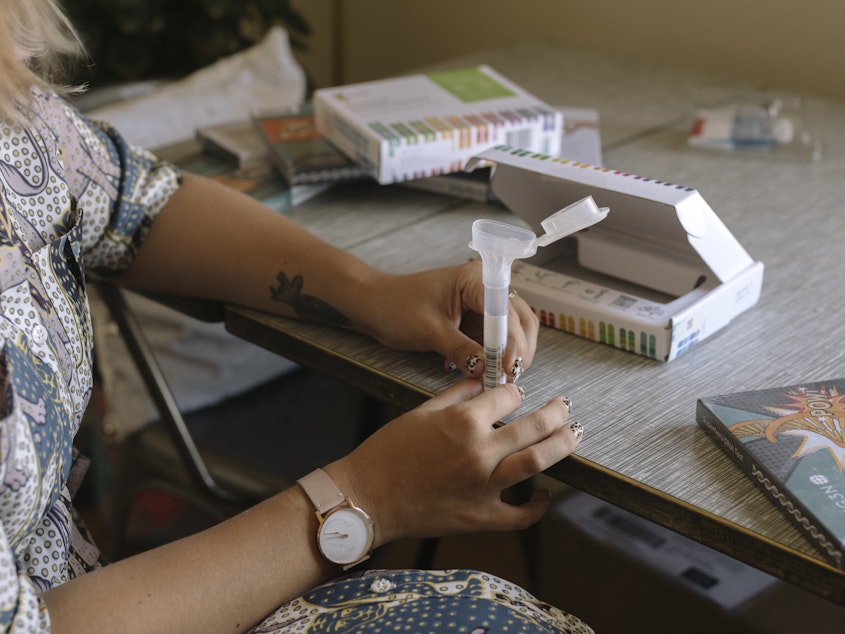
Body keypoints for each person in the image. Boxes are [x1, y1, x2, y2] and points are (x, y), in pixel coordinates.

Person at [0, 1, 591, 632]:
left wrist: (369, 292)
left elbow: (131, 200)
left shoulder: (14, 106)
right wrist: (366, 498)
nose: (26, 56)